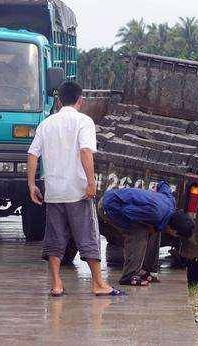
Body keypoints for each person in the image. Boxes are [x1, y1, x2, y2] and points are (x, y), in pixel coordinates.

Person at [27, 81, 124, 297]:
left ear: (59, 100)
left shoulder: (47, 123)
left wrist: (32, 184)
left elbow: (32, 154)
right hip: (77, 191)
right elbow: (85, 152)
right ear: (80, 100)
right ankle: (98, 283)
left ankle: (56, 284)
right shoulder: (84, 121)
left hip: (53, 192)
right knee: (88, 236)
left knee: (54, 238)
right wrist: (91, 182)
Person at [97, 182, 194, 286]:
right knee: (140, 233)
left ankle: (147, 271)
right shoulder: (155, 214)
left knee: (155, 230)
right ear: (174, 231)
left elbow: (163, 184)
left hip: (119, 201)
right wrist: (125, 229)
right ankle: (129, 276)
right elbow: (127, 212)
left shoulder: (170, 202)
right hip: (108, 206)